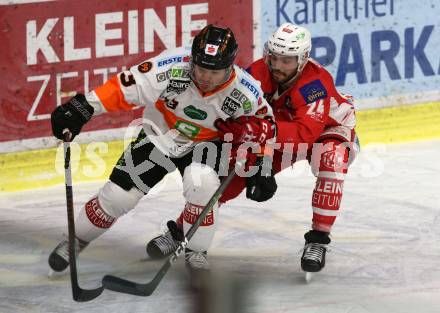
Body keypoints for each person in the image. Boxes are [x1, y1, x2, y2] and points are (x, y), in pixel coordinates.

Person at [48, 24, 276, 276]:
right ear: (193, 60)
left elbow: (266, 126)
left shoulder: (246, 91)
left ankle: (197, 251)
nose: (205, 77)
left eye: (215, 72)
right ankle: (75, 240)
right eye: (201, 68)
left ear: (230, 66)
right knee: (118, 196)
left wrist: (261, 166)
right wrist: (84, 107)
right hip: (160, 134)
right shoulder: (172, 66)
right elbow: (127, 86)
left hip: (207, 143)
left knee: (202, 185)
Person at [146, 23, 359, 274]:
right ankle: (181, 230)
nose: (278, 66)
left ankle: (318, 239)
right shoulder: (257, 72)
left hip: (328, 131)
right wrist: (259, 161)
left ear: (302, 60)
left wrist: (260, 132)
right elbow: (244, 119)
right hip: (276, 131)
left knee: (331, 161)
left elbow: (304, 135)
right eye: (274, 57)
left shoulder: (315, 84)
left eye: (287, 61)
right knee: (230, 176)